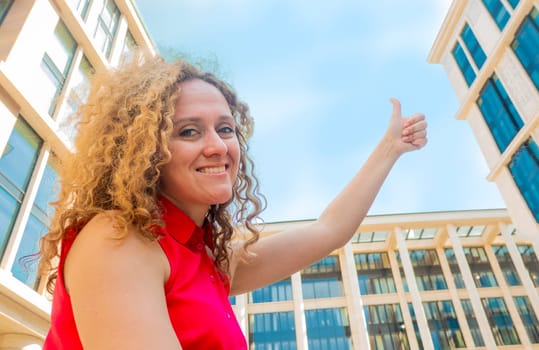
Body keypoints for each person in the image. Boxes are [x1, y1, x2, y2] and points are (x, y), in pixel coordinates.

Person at [39, 52, 427, 349]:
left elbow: (329, 230)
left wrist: (390, 148)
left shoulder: (204, 255)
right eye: (189, 131)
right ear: (143, 151)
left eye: (225, 129)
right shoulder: (118, 240)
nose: (217, 146)